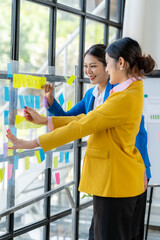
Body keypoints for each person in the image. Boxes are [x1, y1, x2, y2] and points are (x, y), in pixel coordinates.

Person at [6, 37, 155, 240]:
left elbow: (85, 125)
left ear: (118, 63)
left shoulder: (122, 96)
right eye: (86, 66)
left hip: (118, 177)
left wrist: (34, 143)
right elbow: (78, 118)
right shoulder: (107, 93)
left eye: (97, 65)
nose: (88, 71)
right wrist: (44, 119)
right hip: (113, 176)